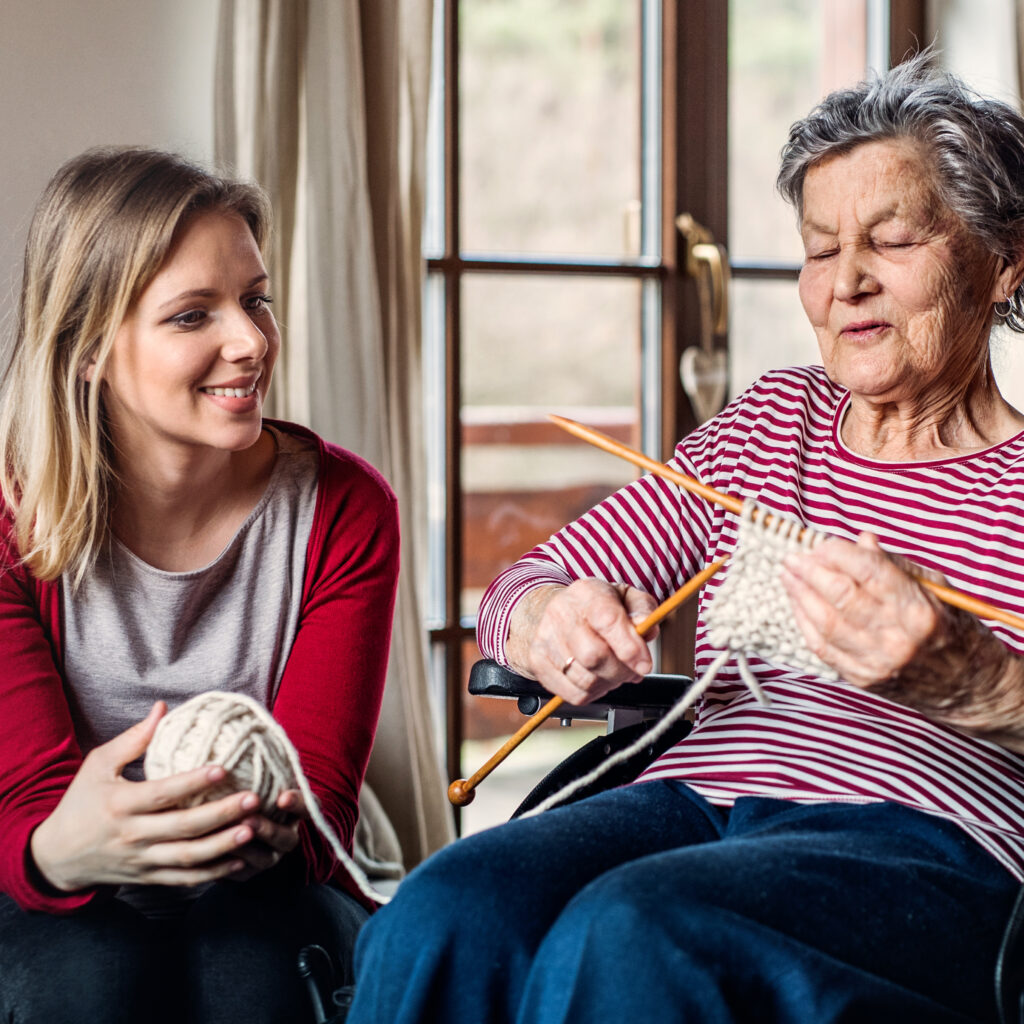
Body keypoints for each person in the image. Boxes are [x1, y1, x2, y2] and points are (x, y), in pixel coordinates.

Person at [347, 53, 1024, 1024]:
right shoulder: (769, 423)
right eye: (819, 248)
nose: (846, 283)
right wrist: (549, 621)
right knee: (446, 908)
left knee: (634, 930)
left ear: (1001, 256)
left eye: (893, 239)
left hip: (936, 841)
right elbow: (522, 588)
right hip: (695, 804)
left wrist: (971, 679)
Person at [0, 147, 400, 1024]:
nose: (251, 341)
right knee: (85, 978)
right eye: (192, 316)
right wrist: (62, 852)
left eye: (255, 299)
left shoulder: (344, 508)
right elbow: (25, 808)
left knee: (253, 973)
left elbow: (319, 804)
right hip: (53, 880)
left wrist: (266, 838)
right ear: (86, 350)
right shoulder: (10, 518)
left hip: (261, 886)